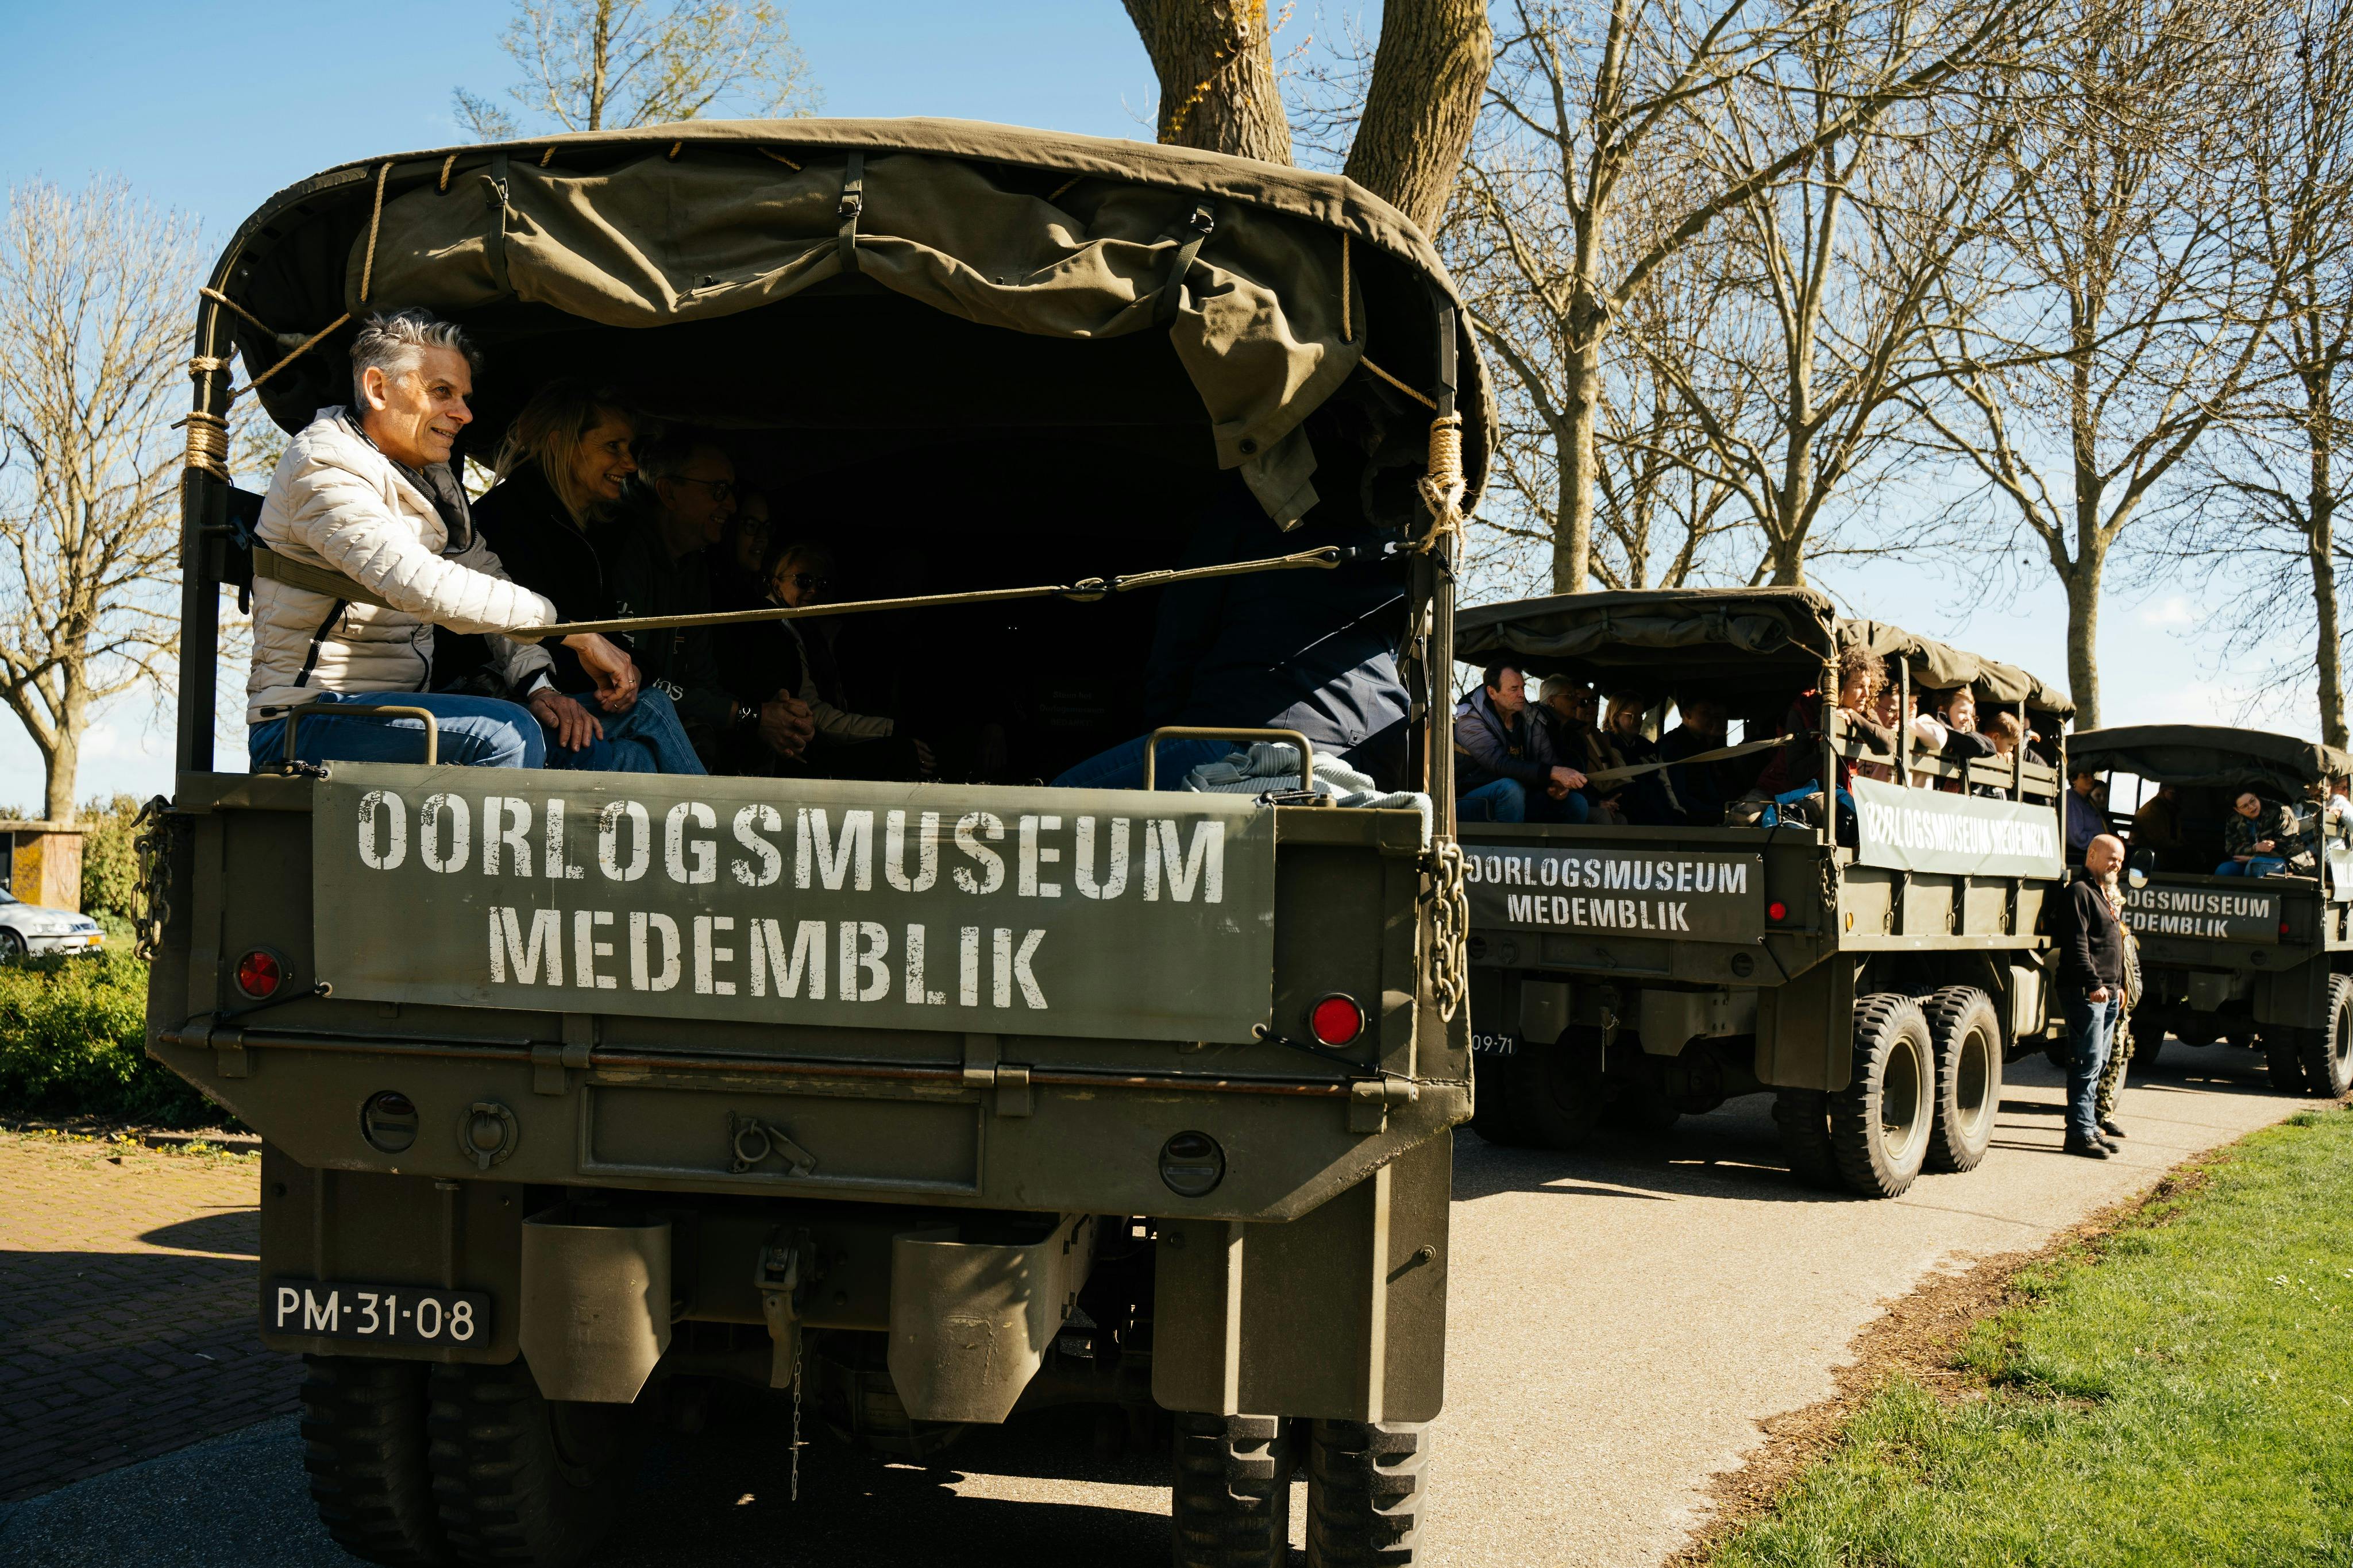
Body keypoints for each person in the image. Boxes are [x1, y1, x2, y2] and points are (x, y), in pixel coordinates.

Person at [244, 309, 641, 770]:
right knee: (506, 737)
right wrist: (570, 632)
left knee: (606, 734)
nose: (465, 414)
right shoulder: (323, 465)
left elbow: (482, 573)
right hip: (306, 720)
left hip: (400, 709)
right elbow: (418, 584)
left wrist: (538, 685)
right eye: (442, 393)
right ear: (377, 389)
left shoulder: (431, 479)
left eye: (465, 397)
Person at [1052, 473, 1411, 790]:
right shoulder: (1404, 535)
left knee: (1050, 804)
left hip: (1245, 735)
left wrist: (1164, 733)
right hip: (1372, 752)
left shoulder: (1250, 505)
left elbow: (1181, 634)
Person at [466, 380, 709, 774]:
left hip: (554, 692)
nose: (630, 464)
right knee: (652, 707)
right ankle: (716, 826)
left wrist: (631, 674)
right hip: (507, 696)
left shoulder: (590, 532)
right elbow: (522, 638)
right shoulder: (506, 520)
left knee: (638, 757)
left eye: (629, 449)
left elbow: (608, 641)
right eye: (613, 447)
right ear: (563, 443)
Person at [604, 432, 811, 770]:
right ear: (669, 493)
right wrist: (752, 716)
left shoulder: (693, 568)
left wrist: (769, 717)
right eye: (718, 490)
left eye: (730, 492)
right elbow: (633, 680)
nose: (729, 505)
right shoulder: (625, 553)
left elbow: (703, 681)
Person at [757, 540, 934, 778]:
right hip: (801, 752)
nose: (813, 591)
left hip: (821, 743)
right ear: (777, 585)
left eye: (822, 584)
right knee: (904, 754)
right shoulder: (778, 630)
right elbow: (816, 715)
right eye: (803, 581)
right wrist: (891, 730)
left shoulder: (819, 633)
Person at [2053, 832, 2130, 1158]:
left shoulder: (2105, 894)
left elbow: (2116, 944)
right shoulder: (2080, 893)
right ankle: (2078, 1135)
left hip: (2109, 993)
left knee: (2098, 1062)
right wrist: (2094, 984)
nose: (2117, 865)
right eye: (2112, 857)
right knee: (2086, 1062)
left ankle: (2090, 1127)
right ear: (2093, 855)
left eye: (2121, 860)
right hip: (2087, 992)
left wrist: (2119, 985)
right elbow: (2077, 945)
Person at [1750, 644, 1892, 800]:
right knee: (1746, 817)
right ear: (1839, 685)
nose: (1866, 693)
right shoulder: (1804, 708)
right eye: (1858, 686)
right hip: (1779, 792)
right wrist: (1824, 745)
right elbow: (1796, 774)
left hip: (1828, 795)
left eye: (1869, 687)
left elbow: (1886, 746)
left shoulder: (1861, 709)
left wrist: (1852, 715)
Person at [1453, 663, 1588, 824]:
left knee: (1577, 804)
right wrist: (1552, 773)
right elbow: (1498, 763)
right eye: (1514, 689)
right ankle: (1510, 849)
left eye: (1523, 688)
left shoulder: (1531, 717)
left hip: (1523, 791)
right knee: (1510, 789)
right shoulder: (1470, 719)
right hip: (1470, 797)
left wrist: (1555, 784)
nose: (1522, 694)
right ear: (1492, 692)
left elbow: (1548, 762)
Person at [1658, 695, 1733, 827]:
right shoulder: (1674, 746)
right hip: (1684, 820)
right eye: (1705, 713)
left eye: (1712, 714)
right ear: (1687, 714)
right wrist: (1720, 813)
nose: (1711, 719)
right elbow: (1678, 796)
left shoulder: (1700, 744)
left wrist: (1728, 807)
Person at [2218, 790, 2308, 876]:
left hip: (2288, 861)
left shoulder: (2279, 811)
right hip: (2248, 861)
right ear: (2237, 810)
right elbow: (2232, 849)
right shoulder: (2234, 820)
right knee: (2224, 870)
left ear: (2255, 796)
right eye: (2245, 806)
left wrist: (2252, 858)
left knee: (2255, 865)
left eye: (2252, 801)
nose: (2252, 807)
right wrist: (2255, 848)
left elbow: (2284, 848)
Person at [2131, 782, 2185, 867]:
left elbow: (2176, 835)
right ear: (2164, 791)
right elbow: (2158, 840)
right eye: (2173, 793)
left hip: (2161, 849)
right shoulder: (2153, 809)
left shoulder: (2170, 808)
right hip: (2145, 850)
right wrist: (2181, 847)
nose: (2178, 797)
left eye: (2180, 793)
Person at [2064, 767, 2103, 865]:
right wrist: (2102, 843)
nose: (2091, 779)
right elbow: (2076, 836)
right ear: (2074, 780)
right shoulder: (2071, 799)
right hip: (2083, 852)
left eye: (2092, 776)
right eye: (2085, 776)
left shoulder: (2088, 800)